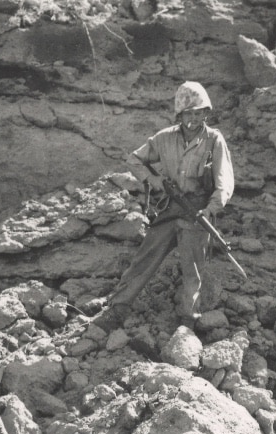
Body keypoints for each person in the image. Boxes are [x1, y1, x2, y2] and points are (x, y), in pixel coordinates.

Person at [88, 81, 235, 328]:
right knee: (144, 259)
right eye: (190, 112)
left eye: (200, 112)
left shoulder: (214, 140)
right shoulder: (164, 138)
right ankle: (118, 309)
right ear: (180, 114)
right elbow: (134, 159)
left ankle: (189, 319)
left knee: (193, 269)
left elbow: (224, 182)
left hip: (197, 211)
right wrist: (153, 179)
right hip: (170, 209)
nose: (195, 117)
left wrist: (210, 210)